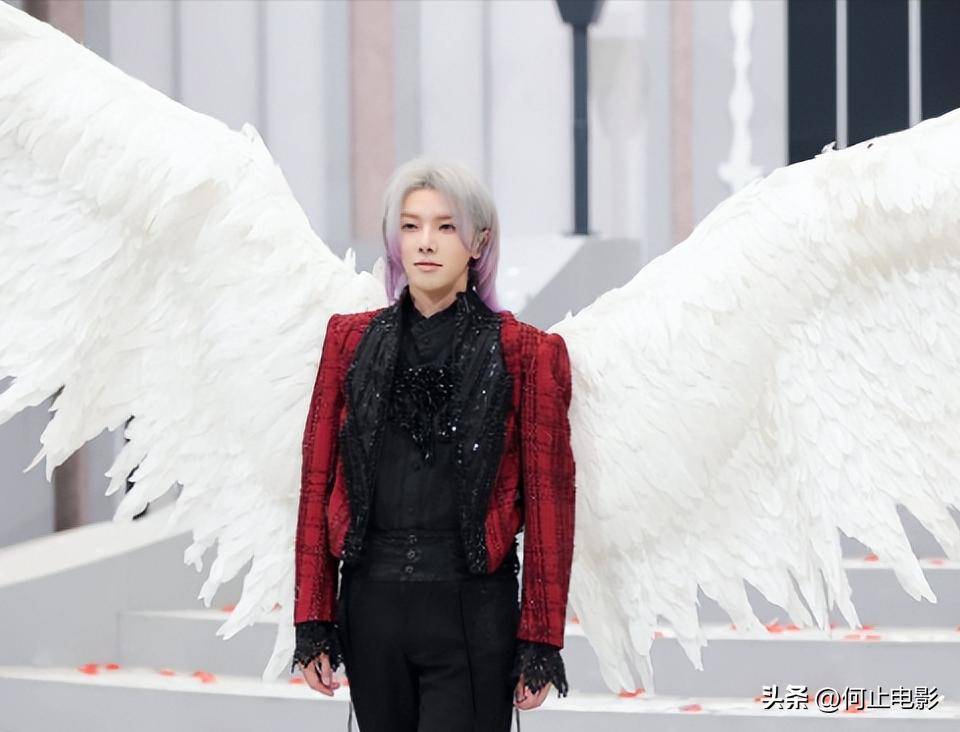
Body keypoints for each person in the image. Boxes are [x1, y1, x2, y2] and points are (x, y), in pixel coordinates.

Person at [291, 157, 576, 732]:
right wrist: (312, 617)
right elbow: (316, 482)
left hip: (473, 611)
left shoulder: (527, 352)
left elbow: (551, 502)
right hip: (369, 608)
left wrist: (541, 638)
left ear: (479, 241)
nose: (426, 242)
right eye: (411, 225)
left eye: (446, 226)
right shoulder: (347, 341)